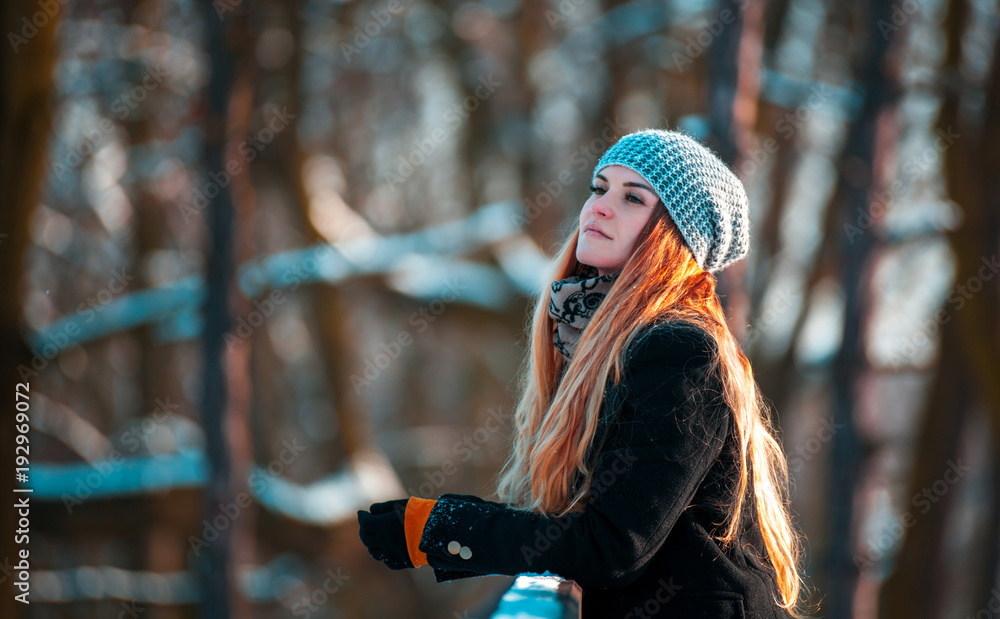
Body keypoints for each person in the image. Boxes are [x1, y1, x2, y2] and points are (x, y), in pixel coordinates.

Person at [358, 128, 809, 618]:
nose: (599, 207)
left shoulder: (678, 350)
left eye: (633, 197)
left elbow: (612, 546)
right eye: (599, 188)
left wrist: (441, 528)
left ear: (674, 237)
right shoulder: (602, 341)